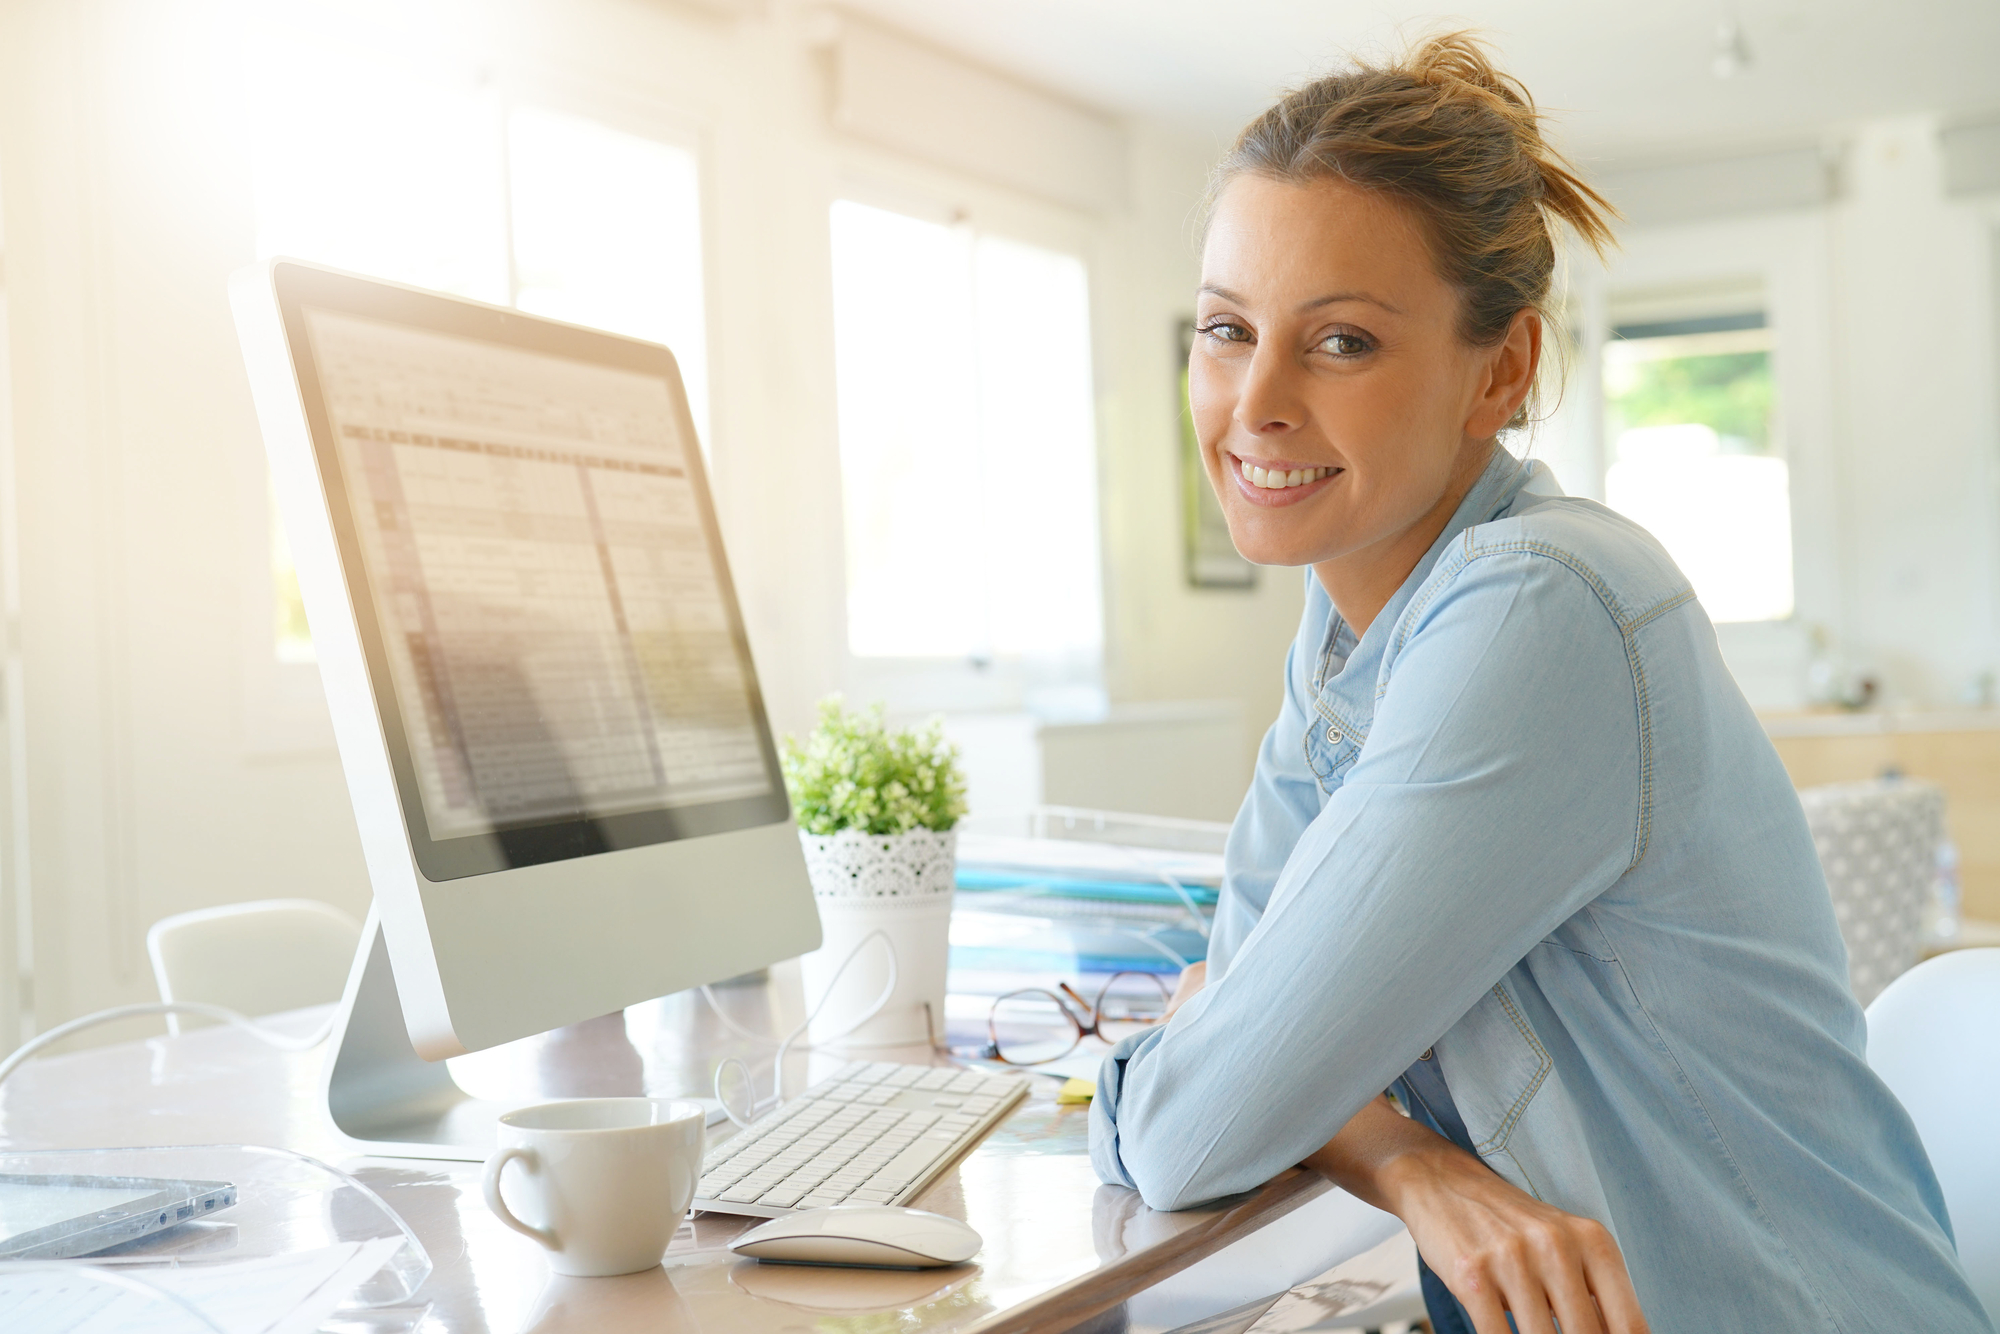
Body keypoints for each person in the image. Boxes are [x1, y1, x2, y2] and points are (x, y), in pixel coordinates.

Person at [1088, 33, 1993, 1334]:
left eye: (1340, 341)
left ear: (1500, 370)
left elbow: (1192, 1115)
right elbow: (1237, 1047)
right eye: (1228, 329)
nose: (1256, 400)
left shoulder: (1538, 611)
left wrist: (1259, 1080)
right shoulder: (1346, 639)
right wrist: (1415, 1164)